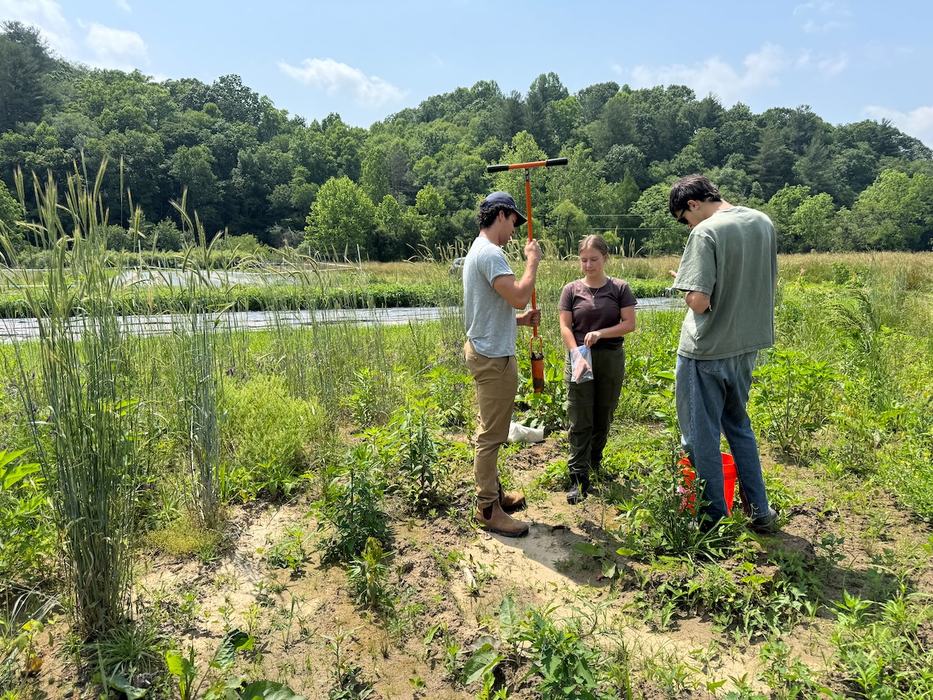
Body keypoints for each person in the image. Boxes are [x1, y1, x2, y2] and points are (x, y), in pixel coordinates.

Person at [668, 174, 779, 533]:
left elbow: (699, 302)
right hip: (745, 346)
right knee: (738, 426)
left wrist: (683, 285)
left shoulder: (706, 232)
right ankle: (760, 510)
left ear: (693, 205)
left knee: (701, 437)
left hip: (706, 350)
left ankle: (712, 519)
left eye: (685, 219)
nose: (689, 226)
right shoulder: (762, 222)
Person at [463, 191, 541, 537]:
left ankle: (495, 496)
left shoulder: (478, 251)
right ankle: (487, 509)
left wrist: (520, 321)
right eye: (514, 222)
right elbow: (520, 294)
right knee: (491, 436)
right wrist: (532, 260)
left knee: (491, 430)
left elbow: (498, 306)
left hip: (487, 349)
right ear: (501, 215)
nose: (514, 231)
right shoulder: (491, 254)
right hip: (493, 358)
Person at [558, 235, 637, 504]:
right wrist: (576, 354)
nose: (588, 265)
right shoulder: (570, 290)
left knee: (603, 414)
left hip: (610, 357)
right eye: (583, 260)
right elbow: (566, 326)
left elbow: (629, 324)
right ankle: (578, 478)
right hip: (580, 356)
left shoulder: (619, 288)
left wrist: (601, 333)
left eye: (594, 259)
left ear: (605, 258)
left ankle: (594, 463)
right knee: (580, 417)